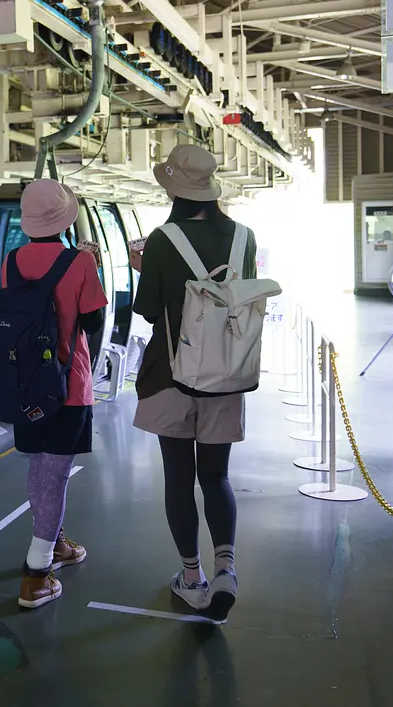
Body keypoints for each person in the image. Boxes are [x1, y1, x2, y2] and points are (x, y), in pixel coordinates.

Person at [132, 144, 257, 621]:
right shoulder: (244, 237)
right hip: (227, 373)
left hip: (171, 375)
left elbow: (148, 310)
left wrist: (149, 269)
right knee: (217, 476)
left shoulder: (163, 240)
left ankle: (192, 577)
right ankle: (226, 566)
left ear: (174, 189)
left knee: (179, 480)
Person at [3, 179, 108, 609]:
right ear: (66, 219)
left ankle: (54, 541)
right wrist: (87, 266)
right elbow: (95, 323)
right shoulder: (79, 263)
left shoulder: (12, 260)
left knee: (38, 468)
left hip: (25, 385)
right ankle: (37, 571)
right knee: (57, 475)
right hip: (68, 385)